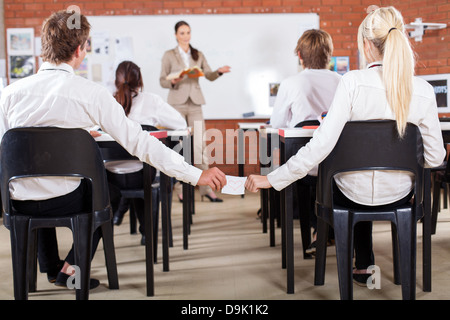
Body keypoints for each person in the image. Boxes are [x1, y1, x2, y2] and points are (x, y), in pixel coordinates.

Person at [0, 11, 226, 290]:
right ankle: (70, 272)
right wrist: (195, 174)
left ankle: (49, 267)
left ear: (43, 47)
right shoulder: (92, 94)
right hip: (70, 201)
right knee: (100, 191)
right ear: (80, 50)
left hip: (17, 203)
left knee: (35, 177)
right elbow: (140, 142)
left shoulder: (8, 95)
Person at [245, 6, 446, 285]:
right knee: (362, 180)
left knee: (348, 181)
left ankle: (363, 264)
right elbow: (436, 158)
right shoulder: (422, 90)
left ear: (365, 45)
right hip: (401, 196)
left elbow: (320, 146)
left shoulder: (352, 82)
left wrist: (273, 178)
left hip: (351, 196)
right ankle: (381, 267)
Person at [269, 29, 341, 254]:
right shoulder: (343, 81)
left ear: (300, 55)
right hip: (341, 164)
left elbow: (277, 123)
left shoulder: (291, 83)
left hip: (307, 165)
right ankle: (328, 229)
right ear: (329, 54)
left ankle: (317, 228)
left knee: (302, 173)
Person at [108, 60, 187, 243]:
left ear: (116, 81)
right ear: (140, 81)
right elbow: (180, 124)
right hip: (143, 175)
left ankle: (117, 219)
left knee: (132, 165)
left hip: (110, 179)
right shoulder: (151, 101)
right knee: (144, 164)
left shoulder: (106, 103)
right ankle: (147, 232)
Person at [160, 20, 231, 203]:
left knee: (199, 146)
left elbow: (208, 75)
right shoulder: (169, 55)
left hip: (195, 103)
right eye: (182, 33)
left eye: (188, 32)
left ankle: (206, 189)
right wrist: (175, 80)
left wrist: (219, 72)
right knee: (178, 148)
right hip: (176, 103)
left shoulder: (197, 54)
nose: (186, 36)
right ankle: (181, 189)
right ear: (176, 35)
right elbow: (163, 80)